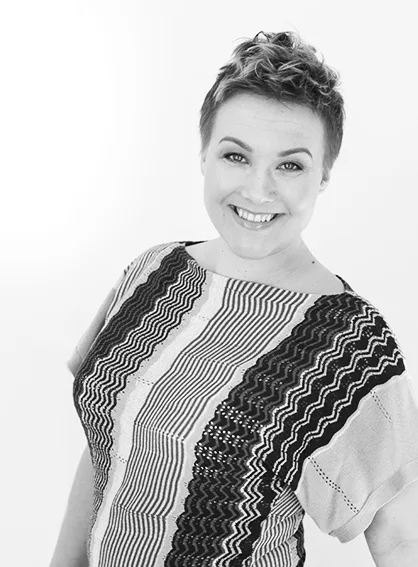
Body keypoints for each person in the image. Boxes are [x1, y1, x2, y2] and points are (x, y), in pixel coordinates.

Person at [50, 31, 418, 567]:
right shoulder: (151, 272)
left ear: (324, 175)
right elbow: (109, 441)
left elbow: (402, 539)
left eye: (290, 165)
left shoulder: (349, 344)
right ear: (204, 155)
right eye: (236, 156)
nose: (258, 191)